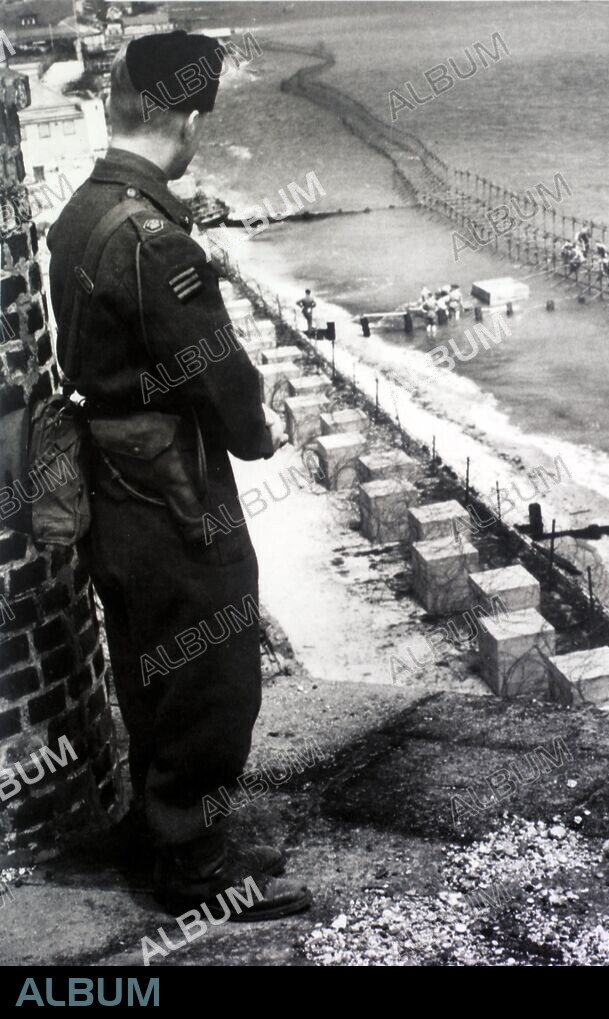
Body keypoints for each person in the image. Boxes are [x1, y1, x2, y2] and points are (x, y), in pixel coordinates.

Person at [46, 31, 311, 920]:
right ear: (189, 121)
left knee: (145, 656)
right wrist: (259, 427)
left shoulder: (82, 211)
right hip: (174, 486)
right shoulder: (154, 239)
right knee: (213, 663)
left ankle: (154, 831)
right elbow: (223, 383)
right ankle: (195, 865)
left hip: (109, 483)